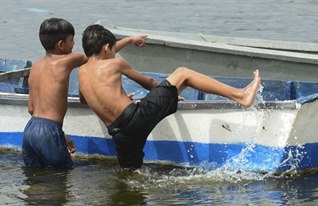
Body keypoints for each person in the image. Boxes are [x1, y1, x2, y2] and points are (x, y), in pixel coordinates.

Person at [77, 24, 261, 169]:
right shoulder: (114, 63)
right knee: (182, 74)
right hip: (136, 117)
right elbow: (148, 82)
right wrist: (170, 93)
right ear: (107, 48)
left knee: (130, 173)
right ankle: (240, 95)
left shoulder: (81, 73)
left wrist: (116, 98)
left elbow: (84, 100)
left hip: (119, 134)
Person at [22, 18, 146, 169]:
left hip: (29, 131)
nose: (74, 44)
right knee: (61, 177)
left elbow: (31, 109)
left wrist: (60, 136)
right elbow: (99, 54)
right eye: (72, 40)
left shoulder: (35, 66)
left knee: (35, 179)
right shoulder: (68, 60)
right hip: (49, 130)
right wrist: (128, 40)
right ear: (61, 45)